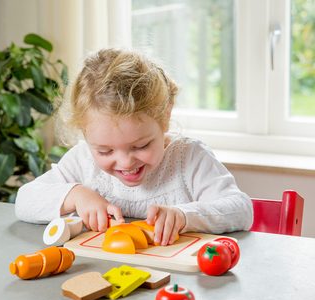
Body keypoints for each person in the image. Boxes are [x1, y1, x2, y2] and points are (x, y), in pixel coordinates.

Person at [15, 48, 253, 246]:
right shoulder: (82, 161)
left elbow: (241, 211)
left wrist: (183, 216)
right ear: (86, 135)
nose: (126, 162)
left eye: (140, 145)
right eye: (105, 151)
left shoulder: (188, 159)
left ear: (165, 118)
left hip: (176, 285)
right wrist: (75, 194)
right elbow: (24, 201)